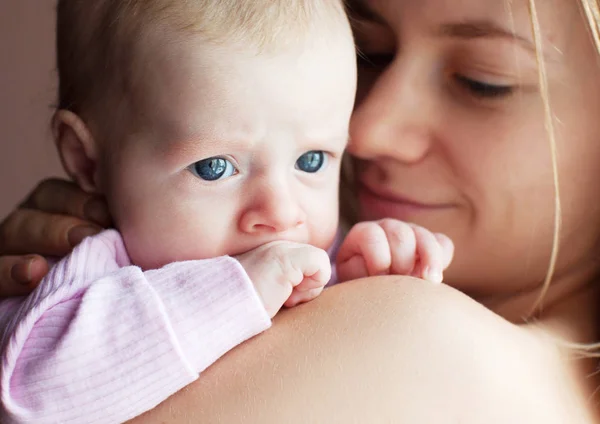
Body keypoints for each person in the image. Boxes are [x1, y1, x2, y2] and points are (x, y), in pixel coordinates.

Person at [2, 0, 600, 422]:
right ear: (85, 159)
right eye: (371, 51)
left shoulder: (420, 341)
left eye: (483, 81)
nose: (363, 132)